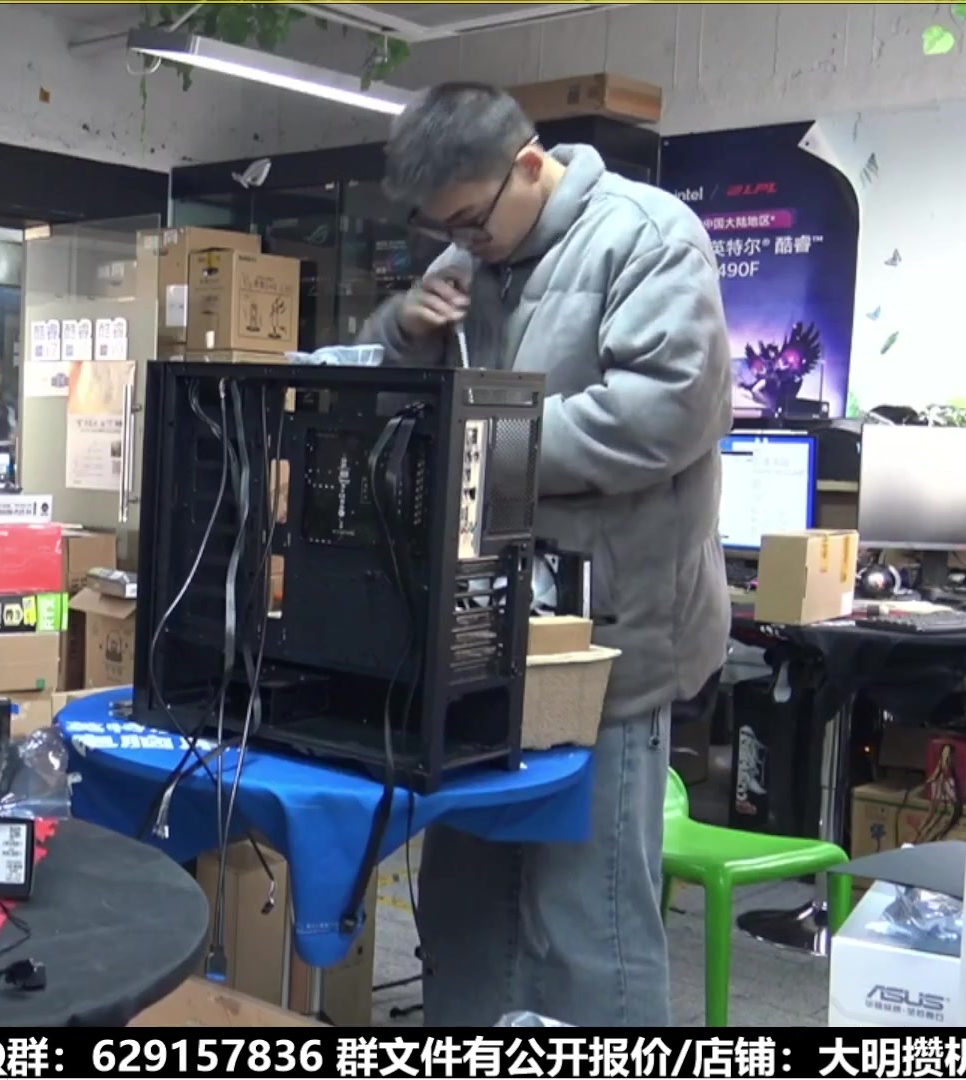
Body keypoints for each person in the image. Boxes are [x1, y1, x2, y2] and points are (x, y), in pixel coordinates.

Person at [355, 83, 732, 1027]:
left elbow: (664, 415)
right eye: (440, 227)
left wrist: (482, 443)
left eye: (470, 221)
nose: (459, 243)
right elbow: (392, 405)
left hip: (612, 644)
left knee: (586, 921)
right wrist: (404, 328)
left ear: (529, 166)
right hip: (485, 643)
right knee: (467, 909)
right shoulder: (466, 258)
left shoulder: (647, 238)